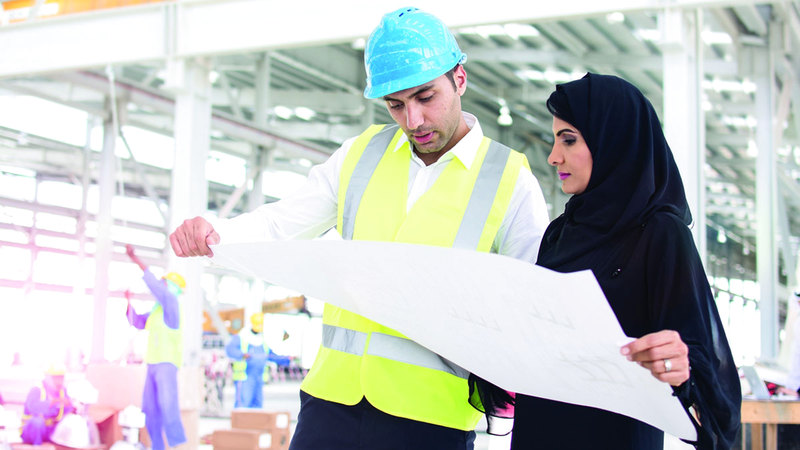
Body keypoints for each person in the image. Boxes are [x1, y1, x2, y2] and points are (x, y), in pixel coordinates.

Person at [169, 6, 549, 449]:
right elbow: (282, 223)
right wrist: (216, 235)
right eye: (396, 105)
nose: (413, 121)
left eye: (425, 97)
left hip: (431, 418)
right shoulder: (361, 154)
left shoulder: (509, 179)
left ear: (459, 79)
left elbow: (532, 302)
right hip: (331, 403)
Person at [506, 73, 741, 449]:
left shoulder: (660, 233)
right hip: (540, 426)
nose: (553, 157)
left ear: (614, 141)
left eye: (569, 139)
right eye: (555, 140)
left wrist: (678, 363)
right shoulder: (559, 232)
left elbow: (699, 357)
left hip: (614, 436)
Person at [124, 244, 187, 450]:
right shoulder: (156, 311)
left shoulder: (171, 304)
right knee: (150, 410)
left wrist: (136, 260)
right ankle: (157, 447)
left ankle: (178, 446)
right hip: (152, 364)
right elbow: (137, 322)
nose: (161, 285)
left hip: (167, 364)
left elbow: (157, 288)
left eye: (164, 282)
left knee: (168, 408)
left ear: (171, 286)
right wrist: (128, 303)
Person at [225, 312, 292, 408]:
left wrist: (287, 359)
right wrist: (242, 355)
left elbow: (271, 356)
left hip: (258, 379)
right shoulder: (241, 338)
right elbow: (230, 350)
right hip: (244, 378)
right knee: (243, 405)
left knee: (257, 406)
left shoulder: (262, 341)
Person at [20, 365, 75, 445]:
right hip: (32, 431)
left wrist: (71, 407)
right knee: (37, 422)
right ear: (47, 378)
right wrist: (53, 402)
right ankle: (37, 446)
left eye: (61, 378)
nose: (59, 381)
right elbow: (33, 408)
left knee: (70, 423)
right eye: (55, 378)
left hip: (49, 431)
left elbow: (66, 411)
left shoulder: (62, 391)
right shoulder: (37, 390)